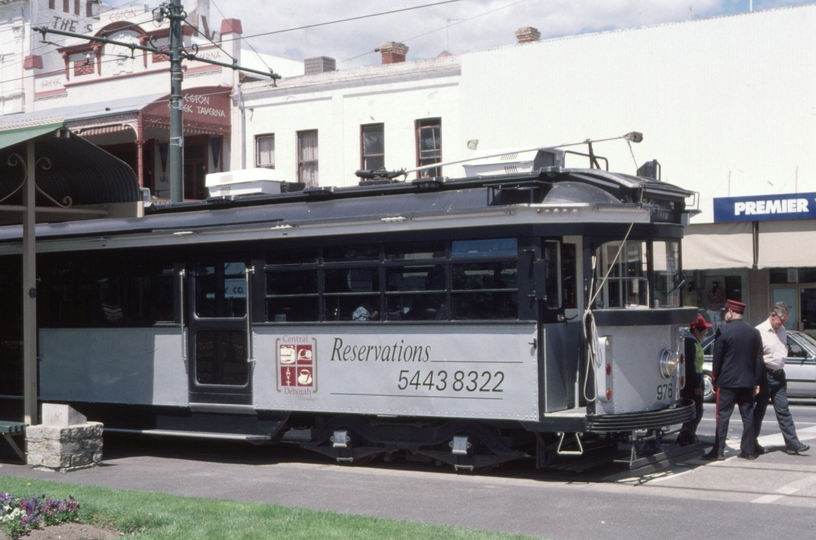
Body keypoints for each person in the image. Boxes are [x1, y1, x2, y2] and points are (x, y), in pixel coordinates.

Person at [703, 299, 764, 461]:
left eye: (726, 312)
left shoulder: (723, 331)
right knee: (748, 416)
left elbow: (718, 359)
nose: (725, 315)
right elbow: (759, 360)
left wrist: (715, 380)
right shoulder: (754, 333)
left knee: (723, 415)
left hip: (727, 381)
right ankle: (748, 450)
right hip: (747, 381)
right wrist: (756, 381)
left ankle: (718, 450)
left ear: (730, 312)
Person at [753, 302, 810, 455]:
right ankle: (751, 442)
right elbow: (755, 358)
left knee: (783, 410)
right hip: (765, 375)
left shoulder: (782, 330)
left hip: (779, 374)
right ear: (773, 315)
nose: (783, 323)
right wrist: (756, 381)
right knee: (759, 411)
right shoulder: (759, 331)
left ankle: (792, 443)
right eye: (782, 320)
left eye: (785, 320)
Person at [677, 315, 712, 446]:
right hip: (692, 382)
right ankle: (687, 436)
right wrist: (696, 386)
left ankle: (686, 435)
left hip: (697, 378)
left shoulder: (693, 341)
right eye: (704, 332)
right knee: (694, 412)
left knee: (696, 411)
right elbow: (689, 366)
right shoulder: (689, 342)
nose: (705, 334)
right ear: (696, 330)